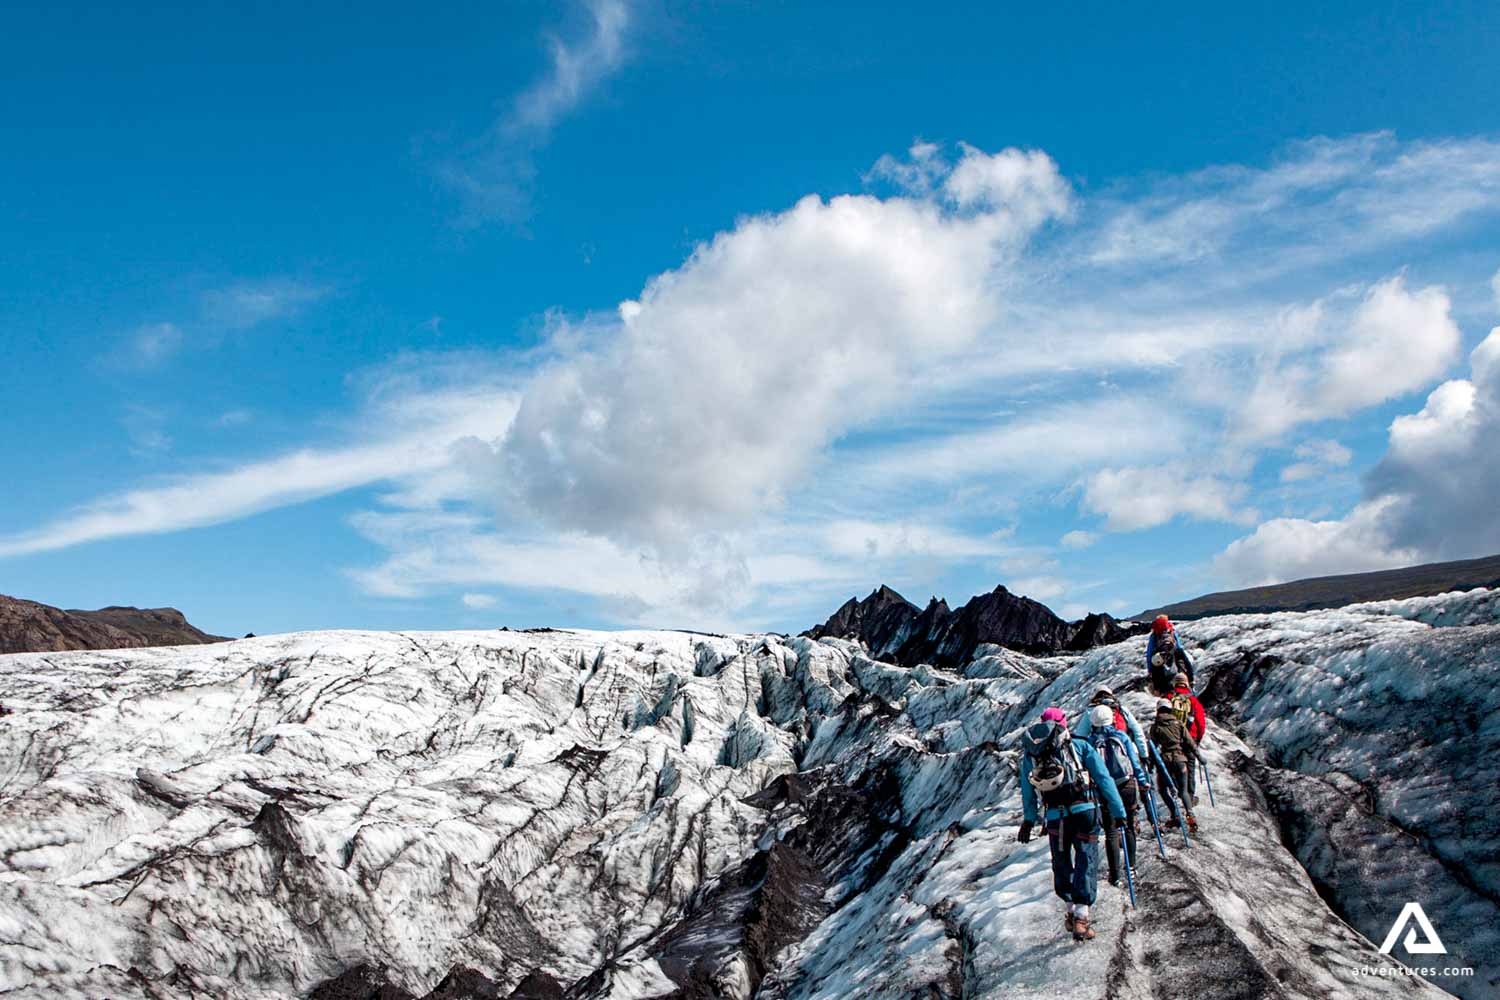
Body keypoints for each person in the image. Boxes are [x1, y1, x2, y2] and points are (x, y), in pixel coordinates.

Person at [1018, 707, 1127, 942]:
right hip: (1084, 810)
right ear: (1063, 723)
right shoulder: (1079, 745)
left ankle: (1070, 910)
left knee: (1062, 862)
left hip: (1055, 817)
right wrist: (1118, 811)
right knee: (1085, 859)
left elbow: (1028, 790)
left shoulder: (1030, 755)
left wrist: (1029, 819)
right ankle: (1081, 917)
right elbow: (1103, 778)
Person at [1084, 704, 1150, 887]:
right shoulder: (1121, 736)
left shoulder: (1090, 742)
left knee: (1111, 832)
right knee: (1129, 825)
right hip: (1126, 784)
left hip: (1104, 790)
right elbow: (1134, 762)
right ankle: (1132, 868)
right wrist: (1143, 781)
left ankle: (1115, 875)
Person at [1149, 700, 1198, 833]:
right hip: (1180, 759)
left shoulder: (1156, 726)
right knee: (1183, 791)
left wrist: (1150, 765)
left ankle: (1175, 814)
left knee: (1163, 789)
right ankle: (1190, 814)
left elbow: (1152, 748)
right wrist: (1198, 755)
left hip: (1165, 762)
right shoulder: (1179, 724)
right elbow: (1189, 742)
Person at [1074, 686, 1150, 761]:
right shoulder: (1121, 709)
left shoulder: (1090, 712)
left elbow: (1080, 736)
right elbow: (1137, 732)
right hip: (1128, 752)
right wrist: (1144, 755)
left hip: (1102, 755)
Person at [1168, 672, 1206, 803]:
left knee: (1174, 764)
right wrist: (1198, 739)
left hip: (1173, 737)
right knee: (1190, 765)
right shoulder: (1193, 700)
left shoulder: (1169, 698)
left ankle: (1178, 792)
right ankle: (1189, 795)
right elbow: (1201, 722)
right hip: (1191, 736)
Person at [1146, 616, 1195, 695]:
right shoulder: (1171, 631)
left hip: (1160, 657)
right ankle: (1190, 682)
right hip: (1175, 652)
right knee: (1184, 663)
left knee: (1157, 668)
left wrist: (1150, 670)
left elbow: (1149, 654)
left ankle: (1159, 691)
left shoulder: (1154, 635)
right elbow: (1179, 646)